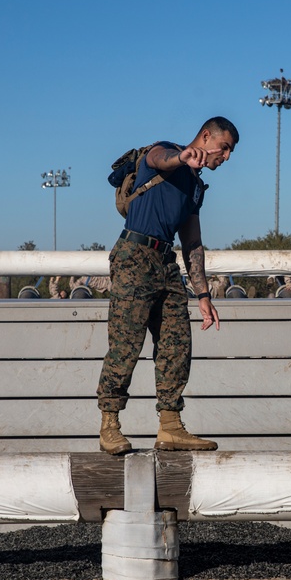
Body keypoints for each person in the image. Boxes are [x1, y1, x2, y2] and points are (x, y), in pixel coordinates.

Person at [97, 117, 239, 455]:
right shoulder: (167, 153)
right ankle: (109, 425)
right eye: (225, 148)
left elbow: (192, 242)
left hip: (166, 263)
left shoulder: (195, 187)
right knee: (125, 345)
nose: (227, 157)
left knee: (177, 344)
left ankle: (171, 426)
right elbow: (157, 159)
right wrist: (182, 158)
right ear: (207, 137)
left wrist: (203, 295)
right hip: (134, 255)